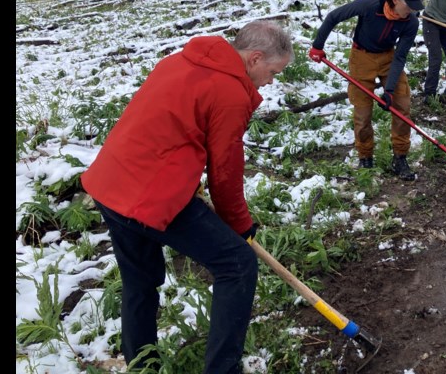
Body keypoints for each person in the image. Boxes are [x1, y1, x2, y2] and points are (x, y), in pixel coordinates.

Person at [80, 20, 294, 374]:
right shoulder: (230, 93)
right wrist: (241, 227)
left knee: (140, 283)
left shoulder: (180, 60)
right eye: (273, 72)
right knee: (237, 264)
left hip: (110, 182)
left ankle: (141, 365)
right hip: (150, 196)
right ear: (255, 58)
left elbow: (168, 125)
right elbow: (225, 172)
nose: (271, 81)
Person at [308, 0, 423, 180]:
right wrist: (318, 45)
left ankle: (400, 156)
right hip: (362, 57)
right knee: (362, 110)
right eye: (409, 6)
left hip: (389, 58)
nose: (412, 11)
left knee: (402, 104)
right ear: (396, 0)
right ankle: (365, 156)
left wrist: (389, 91)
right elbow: (334, 16)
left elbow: (400, 57)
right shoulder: (370, 5)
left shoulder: (411, 22)